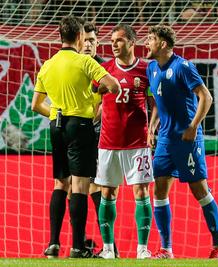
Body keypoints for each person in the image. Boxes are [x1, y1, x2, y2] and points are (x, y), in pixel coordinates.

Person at [31, 15, 120, 258]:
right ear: (80, 37)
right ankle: (78, 246)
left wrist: (58, 114)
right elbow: (114, 86)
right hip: (81, 125)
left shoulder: (48, 64)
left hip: (56, 125)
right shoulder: (85, 63)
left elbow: (35, 104)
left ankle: (52, 244)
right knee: (81, 185)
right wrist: (94, 94)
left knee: (61, 183)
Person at [145, 25, 218, 259]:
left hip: (187, 139)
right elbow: (159, 101)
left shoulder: (183, 67)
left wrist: (194, 125)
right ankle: (166, 249)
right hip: (165, 140)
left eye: (151, 39)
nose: (147, 43)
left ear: (162, 44)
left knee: (200, 190)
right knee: (159, 190)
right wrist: (152, 125)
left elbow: (206, 97)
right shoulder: (152, 68)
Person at [94, 24, 154, 259]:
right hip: (108, 142)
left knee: (141, 192)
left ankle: (142, 249)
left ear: (131, 42)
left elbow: (155, 104)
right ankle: (108, 250)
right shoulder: (104, 69)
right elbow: (96, 101)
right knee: (107, 193)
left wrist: (153, 128)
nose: (114, 45)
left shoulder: (146, 70)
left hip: (137, 143)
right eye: (111, 41)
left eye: (119, 40)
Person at [80, 21, 119, 258]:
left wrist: (96, 114)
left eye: (92, 40)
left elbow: (113, 99)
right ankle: (81, 242)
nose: (88, 44)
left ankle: (109, 246)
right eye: (84, 40)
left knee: (100, 188)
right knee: (75, 187)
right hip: (75, 134)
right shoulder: (72, 66)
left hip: (98, 136)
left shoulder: (105, 68)